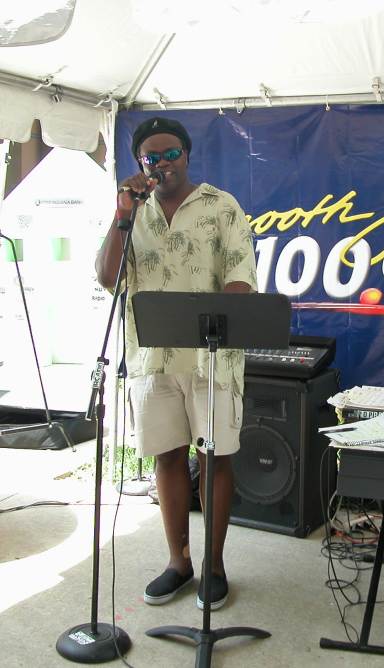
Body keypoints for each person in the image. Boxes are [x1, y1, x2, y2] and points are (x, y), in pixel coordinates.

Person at [96, 117, 257, 611]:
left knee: (214, 459)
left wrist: (208, 319)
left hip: (211, 359)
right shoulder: (133, 213)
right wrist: (123, 213)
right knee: (167, 456)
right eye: (152, 157)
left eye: (171, 154)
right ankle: (178, 561)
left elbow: (241, 280)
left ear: (186, 156)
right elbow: (107, 277)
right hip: (151, 358)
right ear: (140, 164)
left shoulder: (221, 207)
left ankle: (213, 566)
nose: (162, 163)